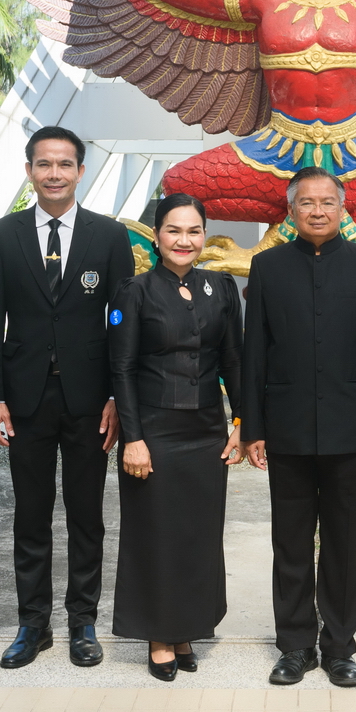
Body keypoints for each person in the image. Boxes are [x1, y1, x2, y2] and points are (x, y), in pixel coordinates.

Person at [0, 125, 134, 669]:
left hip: (91, 400)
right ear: (29, 171)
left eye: (64, 164)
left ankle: (82, 622)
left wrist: (117, 396)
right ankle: (33, 625)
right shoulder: (3, 235)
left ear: (80, 172)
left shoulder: (109, 236)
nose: (54, 173)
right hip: (25, 399)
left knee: (86, 514)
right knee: (31, 513)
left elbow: (122, 322)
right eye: (43, 164)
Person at [242, 166, 356, 687]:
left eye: (327, 202)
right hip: (285, 427)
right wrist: (251, 426)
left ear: (341, 208)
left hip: (348, 427)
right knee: (289, 541)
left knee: (341, 542)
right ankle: (294, 646)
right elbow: (254, 352)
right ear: (290, 210)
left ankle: (338, 647)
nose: (317, 210)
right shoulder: (267, 267)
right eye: (306, 202)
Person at [108, 193, 244, 680]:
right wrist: (133, 438)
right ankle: (159, 635)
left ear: (204, 236)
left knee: (197, 535)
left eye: (193, 231)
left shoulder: (221, 288)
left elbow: (234, 361)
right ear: (157, 236)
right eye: (174, 230)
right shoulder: (134, 291)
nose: (184, 240)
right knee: (156, 534)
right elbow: (121, 368)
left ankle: (187, 628)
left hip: (206, 431)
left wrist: (240, 423)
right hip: (154, 431)